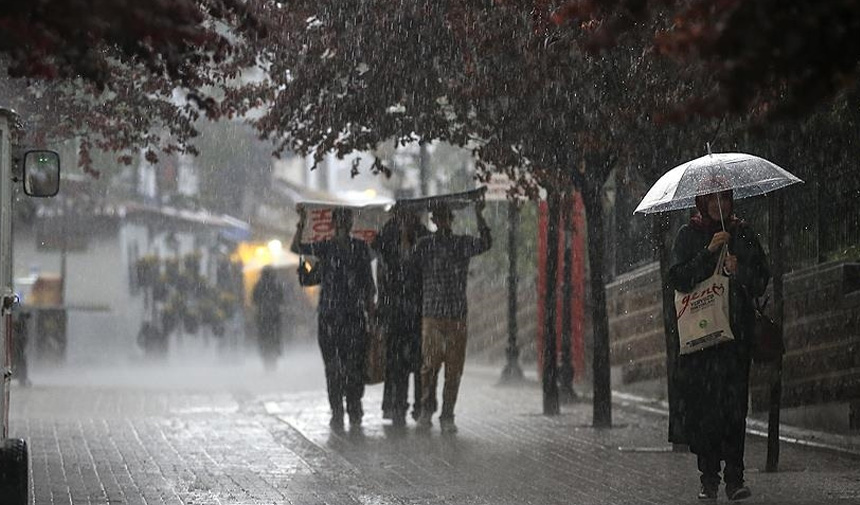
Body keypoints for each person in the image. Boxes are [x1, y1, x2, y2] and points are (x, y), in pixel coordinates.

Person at [668, 189, 770, 502]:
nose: (718, 204)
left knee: (735, 409)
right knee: (706, 411)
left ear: (731, 201)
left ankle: (735, 478)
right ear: (702, 203)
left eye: (723, 198)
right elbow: (679, 278)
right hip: (701, 343)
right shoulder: (689, 234)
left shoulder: (742, 233)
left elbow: (761, 280)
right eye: (711, 199)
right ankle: (708, 478)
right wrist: (708, 253)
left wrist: (740, 271)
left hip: (734, 340)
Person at [291, 207, 376, 430]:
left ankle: (354, 407)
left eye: (345, 221)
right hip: (330, 318)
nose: (342, 225)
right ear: (334, 224)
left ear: (349, 224)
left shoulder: (359, 249)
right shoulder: (326, 248)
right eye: (339, 221)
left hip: (354, 317)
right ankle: (338, 410)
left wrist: (371, 312)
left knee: (354, 366)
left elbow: (368, 285)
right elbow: (297, 248)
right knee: (333, 367)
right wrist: (302, 223)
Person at [413, 198, 491, 434]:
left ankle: (448, 414)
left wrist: (479, 215)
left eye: (445, 217)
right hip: (433, 315)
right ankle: (427, 409)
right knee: (430, 366)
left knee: (453, 370)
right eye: (438, 217)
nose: (442, 221)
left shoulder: (461, 243)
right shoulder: (424, 244)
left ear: (450, 220)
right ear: (434, 220)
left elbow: (486, 242)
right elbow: (407, 263)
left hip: (456, 315)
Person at [372, 205, 429, 427]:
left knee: (418, 361)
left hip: (416, 309)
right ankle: (397, 406)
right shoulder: (388, 234)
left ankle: (419, 405)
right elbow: (380, 257)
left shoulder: (423, 236)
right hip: (395, 310)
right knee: (396, 362)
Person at [252, 266, 286, 371]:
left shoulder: (258, 285)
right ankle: (273, 360)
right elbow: (282, 299)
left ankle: (266, 361)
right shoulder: (277, 285)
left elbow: (254, 299)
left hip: (262, 317)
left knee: (264, 339)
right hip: (275, 317)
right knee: (274, 339)